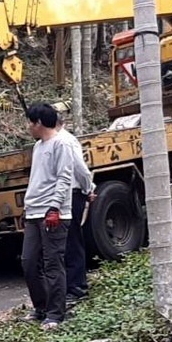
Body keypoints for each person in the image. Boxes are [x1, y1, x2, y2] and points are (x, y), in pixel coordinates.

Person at [21, 102, 74, 329]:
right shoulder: (38, 146)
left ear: (39, 123)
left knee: (53, 263)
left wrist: (55, 208)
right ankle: (41, 307)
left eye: (30, 122)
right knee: (29, 262)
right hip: (33, 211)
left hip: (53, 213)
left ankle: (55, 314)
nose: (28, 127)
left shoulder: (62, 144)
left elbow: (64, 178)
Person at [56, 115, 95, 305]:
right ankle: (69, 287)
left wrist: (88, 189)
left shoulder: (66, 141)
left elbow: (81, 169)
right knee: (65, 242)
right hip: (64, 194)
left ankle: (78, 287)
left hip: (72, 194)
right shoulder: (53, 142)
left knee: (72, 241)